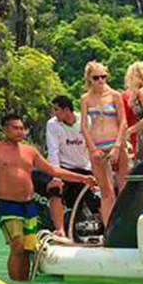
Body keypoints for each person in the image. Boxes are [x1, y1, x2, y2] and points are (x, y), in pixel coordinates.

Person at [0, 113, 95, 281]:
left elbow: (53, 170)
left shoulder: (29, 151)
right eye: (15, 128)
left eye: (22, 128)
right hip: (6, 204)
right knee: (17, 245)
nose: (20, 132)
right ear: (5, 129)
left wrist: (82, 178)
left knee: (28, 248)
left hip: (29, 205)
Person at [80, 61, 128, 226]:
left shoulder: (115, 95)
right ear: (89, 79)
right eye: (96, 78)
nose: (100, 80)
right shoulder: (86, 99)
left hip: (115, 142)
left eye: (103, 77)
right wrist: (92, 148)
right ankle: (109, 228)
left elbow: (123, 122)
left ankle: (126, 225)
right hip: (97, 145)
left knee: (123, 187)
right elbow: (84, 126)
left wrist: (117, 146)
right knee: (105, 191)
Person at [38, 96, 92, 237]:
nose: (54, 113)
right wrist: (56, 176)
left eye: (57, 110)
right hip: (63, 167)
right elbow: (53, 150)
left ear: (67, 110)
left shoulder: (86, 120)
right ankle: (60, 229)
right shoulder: (52, 124)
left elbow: (93, 145)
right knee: (55, 190)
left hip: (86, 166)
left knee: (95, 195)